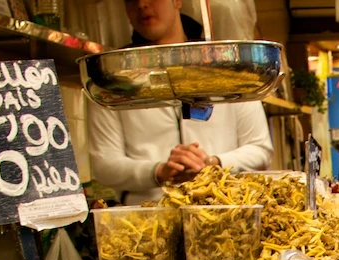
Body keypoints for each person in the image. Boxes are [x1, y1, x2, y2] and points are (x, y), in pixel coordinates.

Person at [87, 0, 273, 205]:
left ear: (177, 1)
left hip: (223, 211)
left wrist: (212, 164)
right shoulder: (113, 81)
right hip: (144, 216)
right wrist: (159, 171)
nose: (141, 4)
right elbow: (104, 164)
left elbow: (260, 149)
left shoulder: (227, 69)